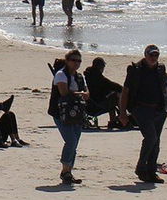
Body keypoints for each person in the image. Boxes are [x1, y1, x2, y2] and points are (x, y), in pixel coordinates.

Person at [120, 45, 167, 183]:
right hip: (141, 109)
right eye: (151, 55)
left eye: (156, 55)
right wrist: (122, 113)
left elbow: (162, 86)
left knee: (156, 141)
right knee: (151, 138)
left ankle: (151, 171)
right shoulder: (135, 69)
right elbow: (125, 91)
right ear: (145, 55)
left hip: (158, 110)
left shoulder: (161, 68)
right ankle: (141, 168)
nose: (154, 58)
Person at [49, 51, 88, 185]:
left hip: (76, 113)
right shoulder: (61, 74)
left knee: (74, 142)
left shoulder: (79, 76)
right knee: (70, 141)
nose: (76, 63)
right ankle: (65, 171)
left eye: (79, 61)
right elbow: (64, 92)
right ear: (67, 60)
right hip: (61, 113)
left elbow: (87, 92)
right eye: (73, 60)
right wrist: (80, 94)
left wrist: (82, 94)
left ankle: (68, 172)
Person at [84, 57, 126, 128]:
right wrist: (124, 90)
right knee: (115, 97)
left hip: (90, 103)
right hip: (96, 105)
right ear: (101, 67)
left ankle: (115, 120)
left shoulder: (89, 75)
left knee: (112, 95)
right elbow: (111, 85)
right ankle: (120, 119)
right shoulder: (97, 77)